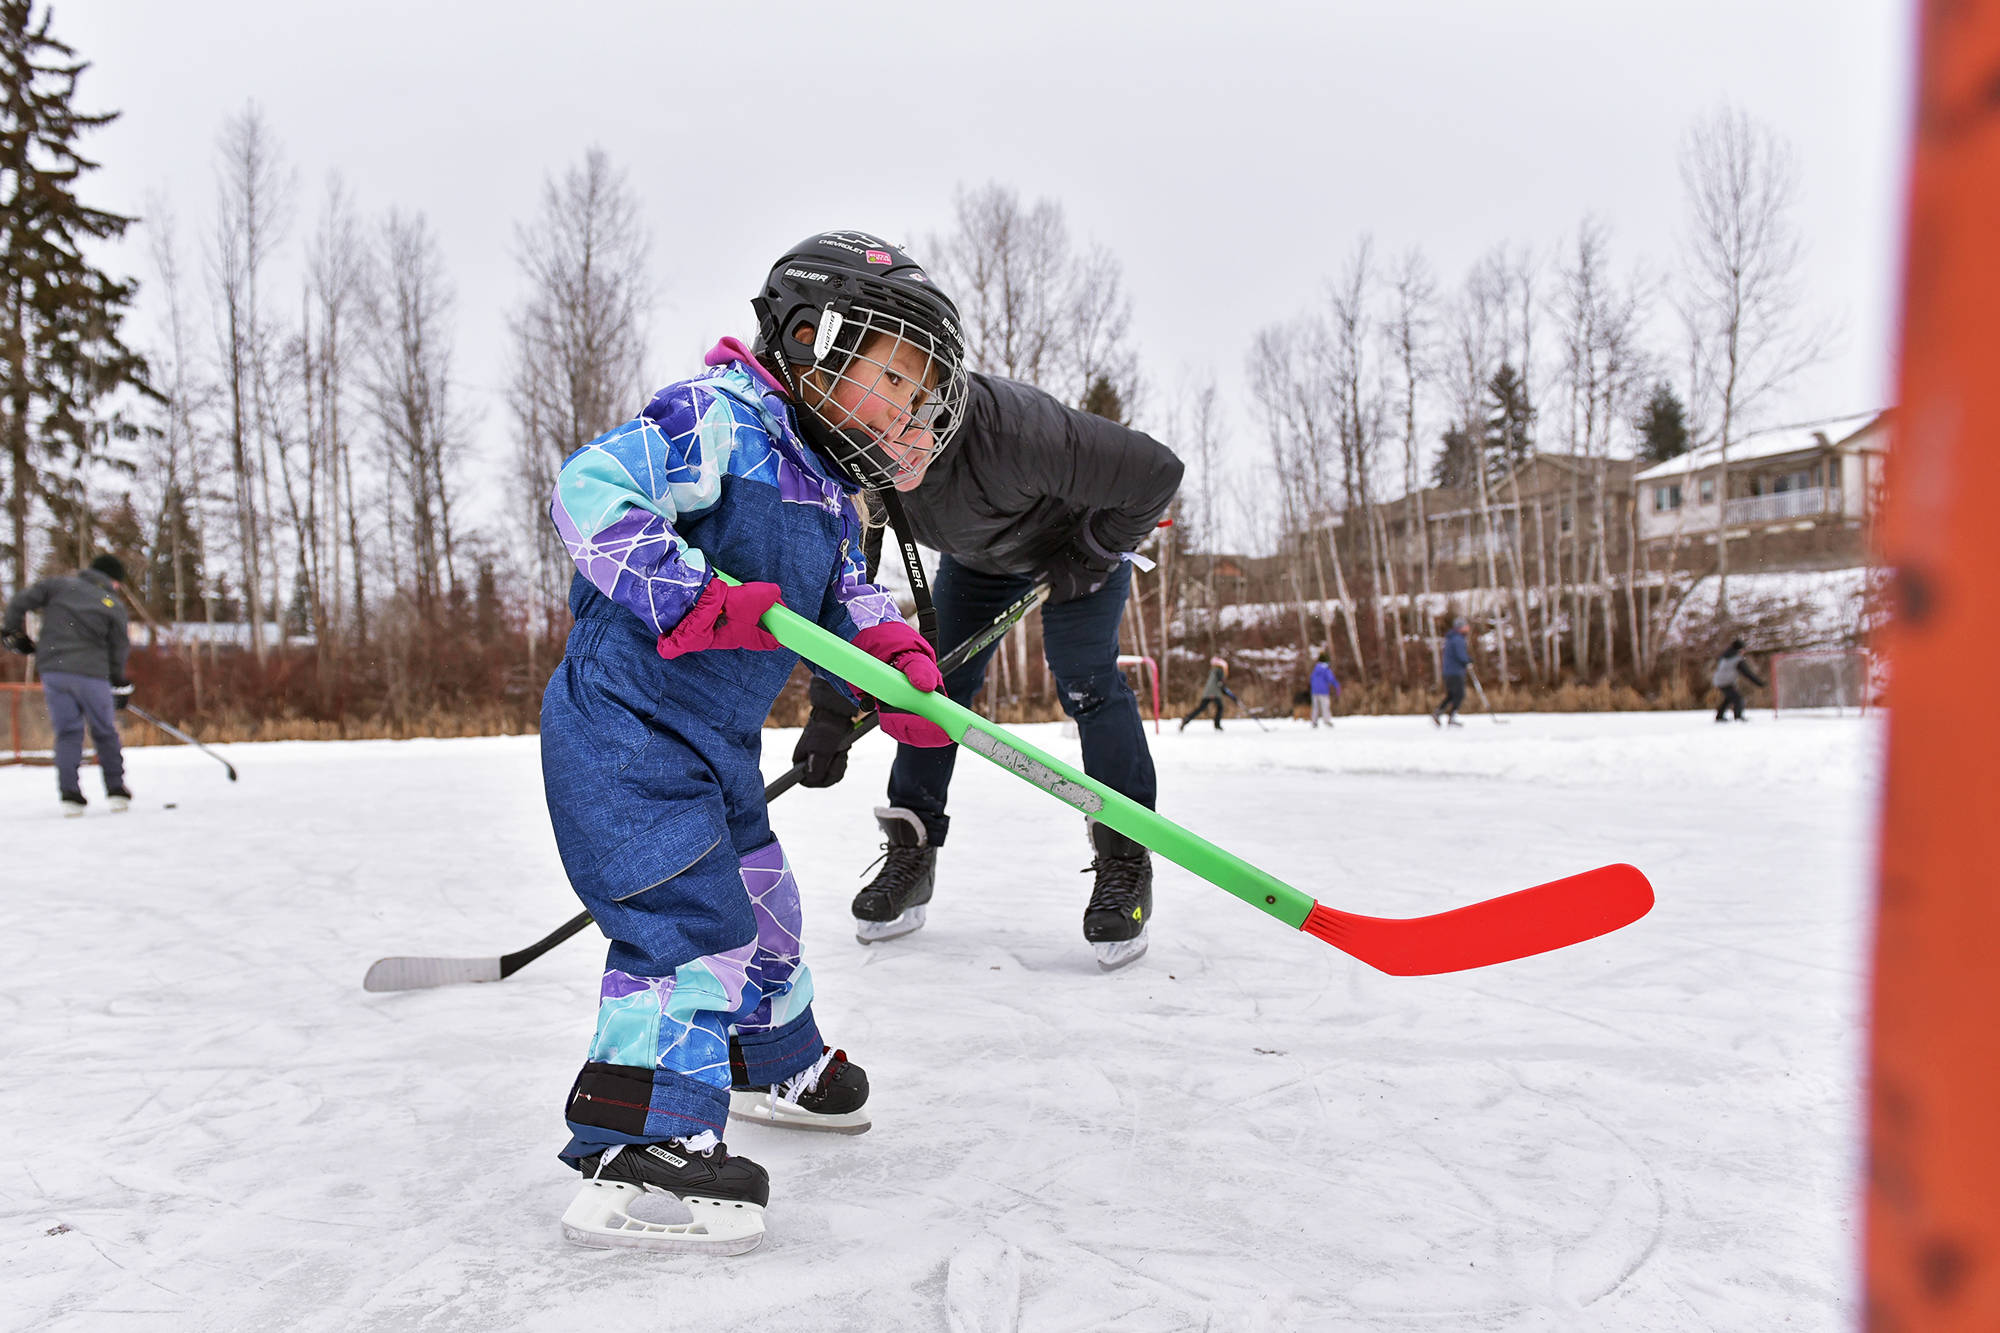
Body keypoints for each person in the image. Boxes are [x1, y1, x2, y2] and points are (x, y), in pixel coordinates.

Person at [538, 230, 965, 1254]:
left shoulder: (824, 488)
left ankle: (767, 1057)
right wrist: (691, 590)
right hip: (624, 730)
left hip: (712, 745)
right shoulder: (715, 420)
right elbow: (588, 493)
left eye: (920, 395)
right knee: (691, 927)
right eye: (892, 379)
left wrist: (895, 667)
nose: (906, 411)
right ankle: (636, 1140)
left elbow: (845, 597)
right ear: (815, 341)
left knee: (766, 906)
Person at [790, 352, 1182, 971]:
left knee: (1085, 678)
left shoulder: (1015, 431)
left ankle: (1125, 861)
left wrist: (1095, 547)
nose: (895, 454)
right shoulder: (859, 463)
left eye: (910, 435)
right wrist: (834, 709)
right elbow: (853, 593)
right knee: (929, 691)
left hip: (1079, 552)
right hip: (980, 564)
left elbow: (1157, 471)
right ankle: (912, 853)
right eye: (879, 442)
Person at [3, 554, 135, 815]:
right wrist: (118, 680)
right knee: (104, 731)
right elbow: (119, 645)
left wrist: (12, 632)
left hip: (54, 671)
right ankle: (116, 790)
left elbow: (19, 601)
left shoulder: (58, 586)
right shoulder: (112, 604)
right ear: (113, 580)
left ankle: (70, 796)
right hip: (92, 674)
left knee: (68, 731)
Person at [1713, 638, 1765, 722]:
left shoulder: (1724, 655)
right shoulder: (1737, 659)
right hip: (1725, 682)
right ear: (1740, 649)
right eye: (1743, 649)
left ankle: (1719, 716)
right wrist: (1759, 683)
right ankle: (1738, 717)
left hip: (1719, 680)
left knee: (1729, 698)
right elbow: (1747, 673)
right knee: (1738, 699)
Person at [1432, 616, 1470, 728]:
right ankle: (1451, 716)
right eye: (1465, 626)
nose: (1468, 628)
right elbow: (1461, 655)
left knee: (1452, 695)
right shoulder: (1457, 639)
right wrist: (1467, 660)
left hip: (1449, 671)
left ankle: (1438, 713)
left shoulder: (1451, 638)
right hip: (1455, 671)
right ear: (1460, 628)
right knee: (1459, 694)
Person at [1180, 656, 1230, 731]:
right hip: (1213, 693)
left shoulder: (1213, 670)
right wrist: (1224, 689)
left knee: (1201, 708)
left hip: (1208, 692)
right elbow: (1220, 682)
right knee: (1220, 707)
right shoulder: (1219, 670)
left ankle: (1187, 719)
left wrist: (1223, 689)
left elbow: (1217, 683)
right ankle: (1217, 725)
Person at [1308, 651, 1341, 728]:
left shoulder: (1315, 669)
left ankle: (1314, 722)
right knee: (1325, 706)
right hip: (1323, 691)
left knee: (1315, 707)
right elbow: (1331, 679)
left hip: (1314, 691)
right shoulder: (1326, 670)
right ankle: (1327, 721)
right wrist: (1337, 685)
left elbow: (1311, 679)